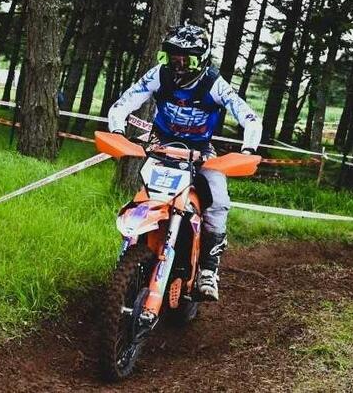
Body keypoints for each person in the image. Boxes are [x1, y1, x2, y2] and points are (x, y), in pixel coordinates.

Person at [108, 25, 262, 301]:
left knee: (218, 201)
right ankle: (128, 253)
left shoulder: (214, 83)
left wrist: (248, 149)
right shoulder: (159, 74)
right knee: (144, 196)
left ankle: (209, 269)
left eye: (186, 58)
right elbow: (123, 103)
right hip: (161, 146)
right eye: (172, 56)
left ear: (200, 59)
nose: (177, 63)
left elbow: (249, 117)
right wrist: (118, 131)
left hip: (200, 151)